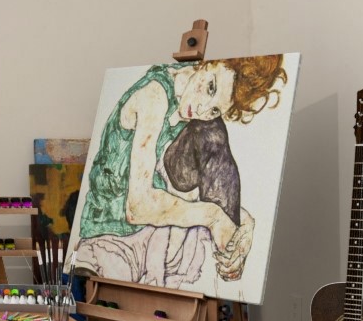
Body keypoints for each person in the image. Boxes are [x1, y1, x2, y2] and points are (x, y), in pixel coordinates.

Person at [75, 55, 288, 288]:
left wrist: (244, 224)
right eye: (210, 87)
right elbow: (137, 207)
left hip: (157, 232)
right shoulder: (154, 96)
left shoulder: (192, 108)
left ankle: (230, 252)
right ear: (205, 65)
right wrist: (214, 217)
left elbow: (186, 184)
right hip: (113, 234)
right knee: (210, 131)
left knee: (212, 131)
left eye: (215, 108)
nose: (202, 107)